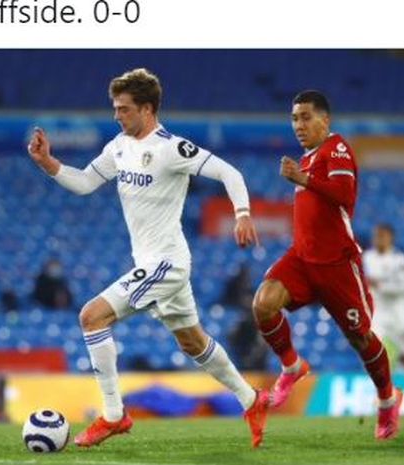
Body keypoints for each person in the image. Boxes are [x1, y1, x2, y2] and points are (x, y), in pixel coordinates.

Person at [27, 69, 268, 449]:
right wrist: (48, 164)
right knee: (193, 343)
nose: (117, 116)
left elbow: (229, 172)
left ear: (147, 109)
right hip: (153, 262)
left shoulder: (172, 148)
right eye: (115, 108)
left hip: (167, 263)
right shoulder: (119, 146)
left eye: (123, 109)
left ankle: (112, 415)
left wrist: (241, 214)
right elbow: (86, 182)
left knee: (91, 317)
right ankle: (252, 399)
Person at [251, 91, 402, 440]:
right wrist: (303, 177)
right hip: (302, 258)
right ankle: (292, 365)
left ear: (325, 120)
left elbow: (345, 195)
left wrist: (304, 180)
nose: (299, 125)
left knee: (361, 338)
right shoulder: (307, 157)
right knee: (264, 303)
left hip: (336, 263)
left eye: (305, 117)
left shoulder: (337, 147)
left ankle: (386, 400)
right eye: (294, 118)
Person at [363, 224, 404, 369]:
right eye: (376, 235)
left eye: (382, 235)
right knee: (373, 350)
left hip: (398, 312)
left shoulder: (399, 260)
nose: (378, 239)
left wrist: (381, 285)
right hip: (377, 313)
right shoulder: (367, 258)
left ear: (390, 238)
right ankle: (382, 387)